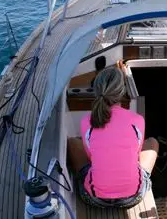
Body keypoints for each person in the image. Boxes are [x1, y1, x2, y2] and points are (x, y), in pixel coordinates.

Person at [67, 66, 159, 208]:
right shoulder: (137, 120)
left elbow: (90, 157)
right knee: (152, 143)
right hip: (133, 197)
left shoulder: (87, 121)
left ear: (97, 90)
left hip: (93, 198)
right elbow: (137, 156)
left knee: (73, 143)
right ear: (122, 91)